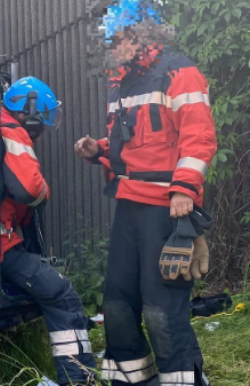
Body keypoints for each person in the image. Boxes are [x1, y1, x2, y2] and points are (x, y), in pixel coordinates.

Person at [74, 1, 217, 385]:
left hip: (166, 209)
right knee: (117, 306)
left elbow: (198, 137)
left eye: (116, 39)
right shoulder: (122, 83)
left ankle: (183, 379)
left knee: (161, 310)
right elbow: (134, 144)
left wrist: (184, 190)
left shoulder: (179, 72)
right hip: (129, 205)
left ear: (141, 35)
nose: (110, 47)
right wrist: (99, 150)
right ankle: (131, 379)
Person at [0, 76, 97, 386]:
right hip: (2, 245)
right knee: (61, 294)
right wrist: (46, 192)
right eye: (43, 115)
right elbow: (29, 189)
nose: (44, 125)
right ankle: (79, 380)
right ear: (27, 111)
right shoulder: (12, 132)